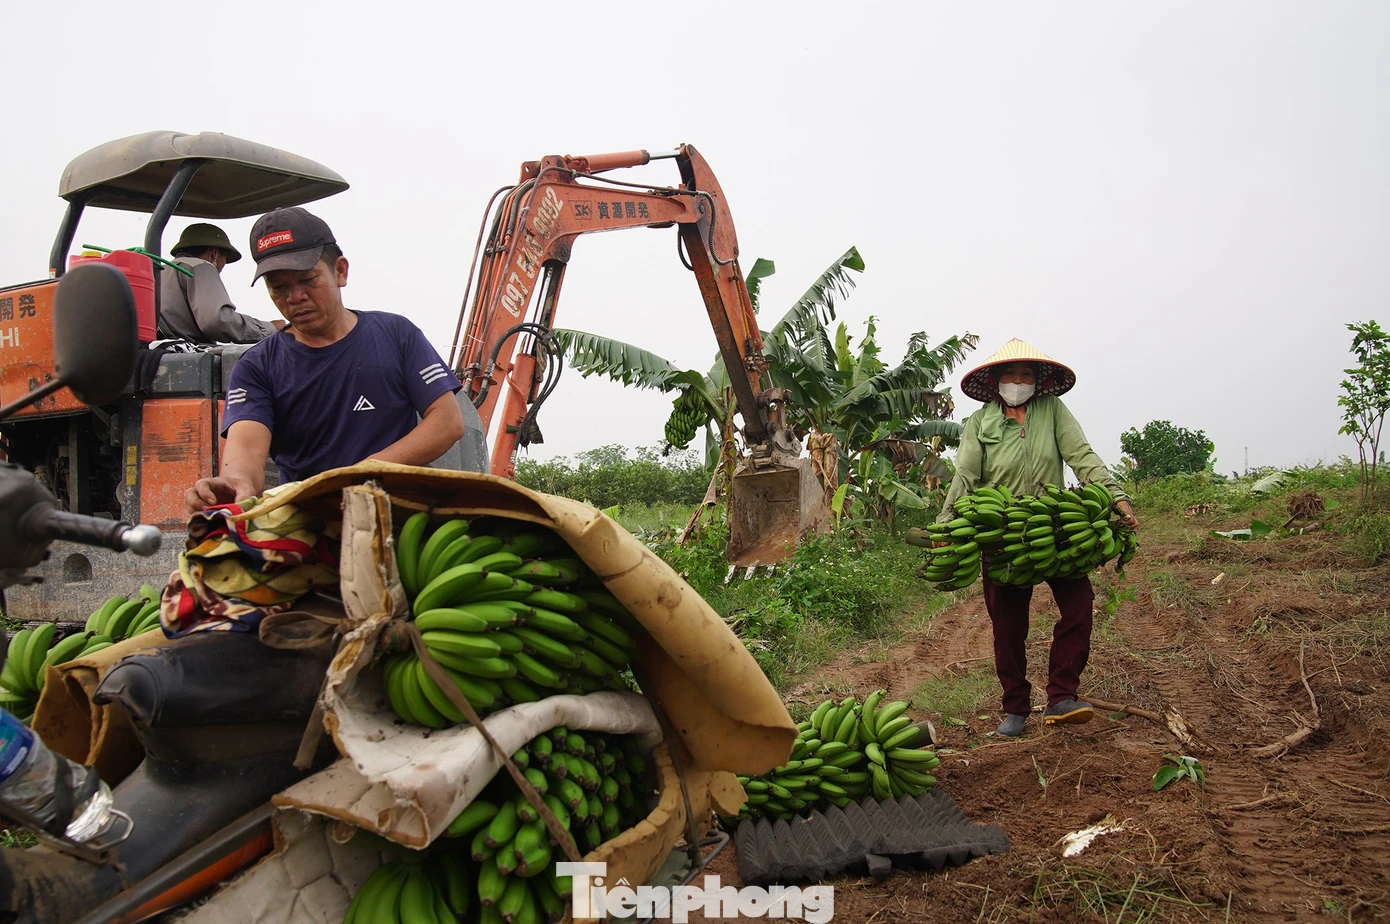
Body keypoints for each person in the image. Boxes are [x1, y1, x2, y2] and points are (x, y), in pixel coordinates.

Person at [184, 207, 465, 513]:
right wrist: (235, 482)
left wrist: (359, 475)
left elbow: (447, 421)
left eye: (307, 280)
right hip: (312, 521)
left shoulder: (396, 335)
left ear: (340, 271)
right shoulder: (256, 367)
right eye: (279, 288)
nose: (294, 297)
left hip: (400, 512)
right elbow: (247, 450)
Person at [937, 339, 1139, 738]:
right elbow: (966, 474)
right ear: (995, 381)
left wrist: (1116, 496)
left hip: (1056, 524)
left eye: (1026, 374)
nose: (1018, 380)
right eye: (1010, 374)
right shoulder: (980, 423)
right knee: (1008, 627)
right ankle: (1015, 706)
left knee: (1079, 608)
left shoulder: (1051, 410)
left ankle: (1062, 695)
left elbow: (1081, 455)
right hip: (1004, 530)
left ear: (1038, 381)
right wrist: (946, 522)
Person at [159, 223, 278, 344]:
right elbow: (216, 321)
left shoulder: (159, 271)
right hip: (187, 356)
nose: (222, 267)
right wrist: (269, 329)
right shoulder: (200, 267)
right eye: (225, 259)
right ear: (214, 254)